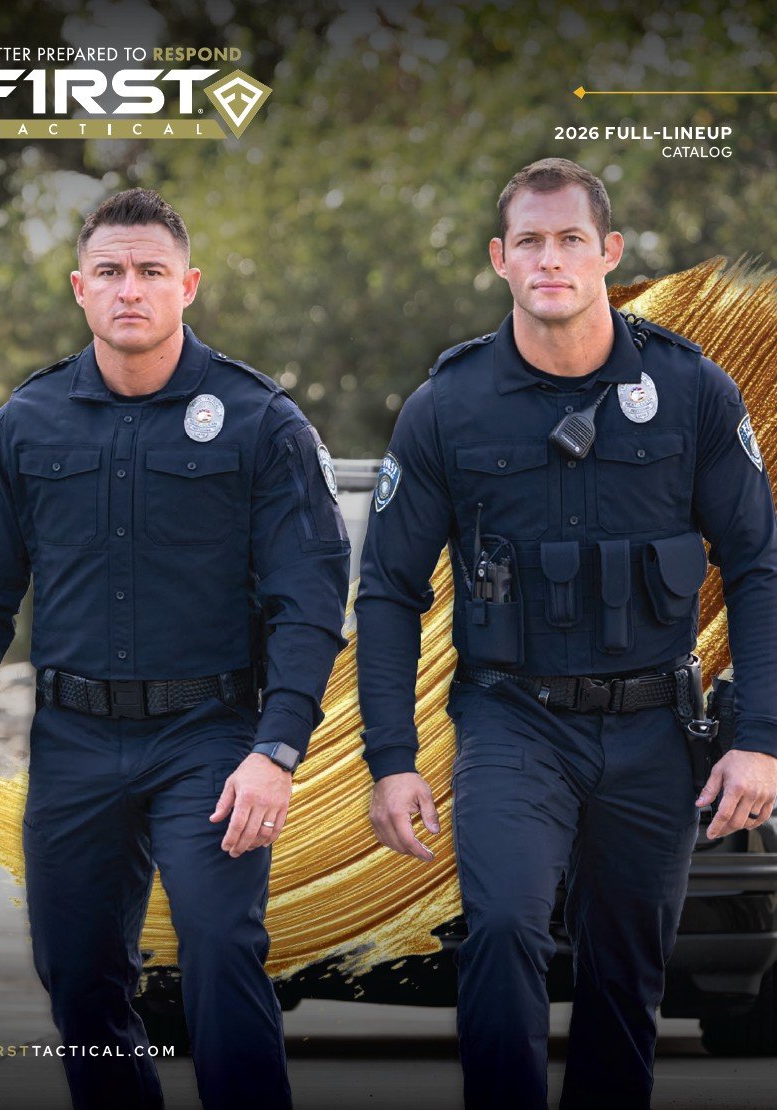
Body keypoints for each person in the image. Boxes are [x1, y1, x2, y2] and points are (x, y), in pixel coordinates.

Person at [355, 157, 777, 1109]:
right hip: (512, 722)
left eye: (571, 239)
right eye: (531, 242)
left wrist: (757, 737)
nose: (551, 259)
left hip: (654, 727)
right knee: (503, 927)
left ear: (608, 252)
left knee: (626, 971)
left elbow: (757, 565)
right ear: (499, 258)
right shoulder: (446, 405)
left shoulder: (692, 390)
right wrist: (391, 759)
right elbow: (385, 591)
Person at [0, 188, 350, 1110]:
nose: (130, 289)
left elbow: (309, 602)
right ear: (80, 287)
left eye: (151, 271)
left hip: (211, 737)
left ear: (187, 286)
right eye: (110, 271)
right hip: (75, 741)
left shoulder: (260, 420)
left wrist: (276, 750)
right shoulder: (26, 422)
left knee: (220, 950)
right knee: (78, 977)